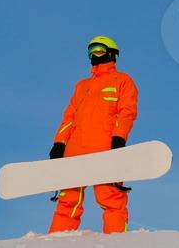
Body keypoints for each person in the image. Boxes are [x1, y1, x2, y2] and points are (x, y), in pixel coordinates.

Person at [48, 36, 138, 235]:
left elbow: (126, 111)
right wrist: (59, 143)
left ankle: (116, 241)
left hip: (104, 147)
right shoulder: (82, 86)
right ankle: (56, 243)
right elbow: (69, 117)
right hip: (75, 150)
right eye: (91, 51)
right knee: (67, 199)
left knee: (111, 197)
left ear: (112, 53)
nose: (94, 55)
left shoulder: (122, 80)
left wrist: (119, 137)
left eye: (99, 50)